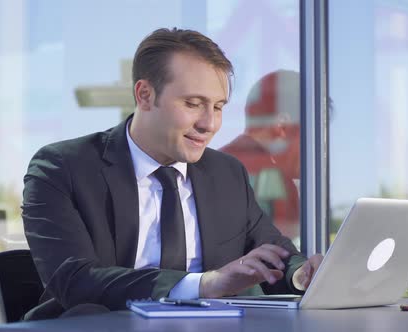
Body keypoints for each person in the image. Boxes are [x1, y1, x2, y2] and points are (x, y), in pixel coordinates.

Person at [21, 28, 323, 320]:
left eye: (218, 107)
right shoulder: (62, 169)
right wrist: (205, 284)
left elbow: (273, 251)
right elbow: (74, 280)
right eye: (193, 104)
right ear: (145, 95)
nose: (210, 123)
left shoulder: (227, 173)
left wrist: (301, 273)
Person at [220, 70, 301, 240]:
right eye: (311, 135)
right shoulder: (265, 180)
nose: (318, 152)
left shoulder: (218, 168)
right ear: (282, 126)